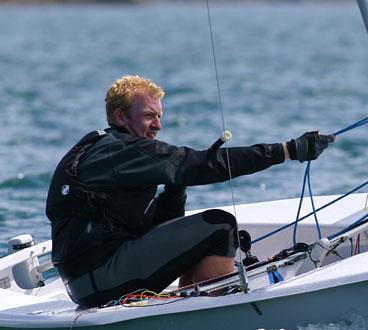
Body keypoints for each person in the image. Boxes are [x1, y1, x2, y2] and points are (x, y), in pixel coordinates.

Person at [46, 75, 333, 307]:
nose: (157, 125)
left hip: (88, 281)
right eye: (148, 116)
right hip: (99, 278)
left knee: (199, 236)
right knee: (220, 226)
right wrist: (286, 151)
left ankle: (190, 305)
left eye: (159, 116)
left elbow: (153, 227)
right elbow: (206, 165)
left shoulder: (110, 152)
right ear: (121, 117)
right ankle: (208, 312)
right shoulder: (116, 151)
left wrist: (176, 185)